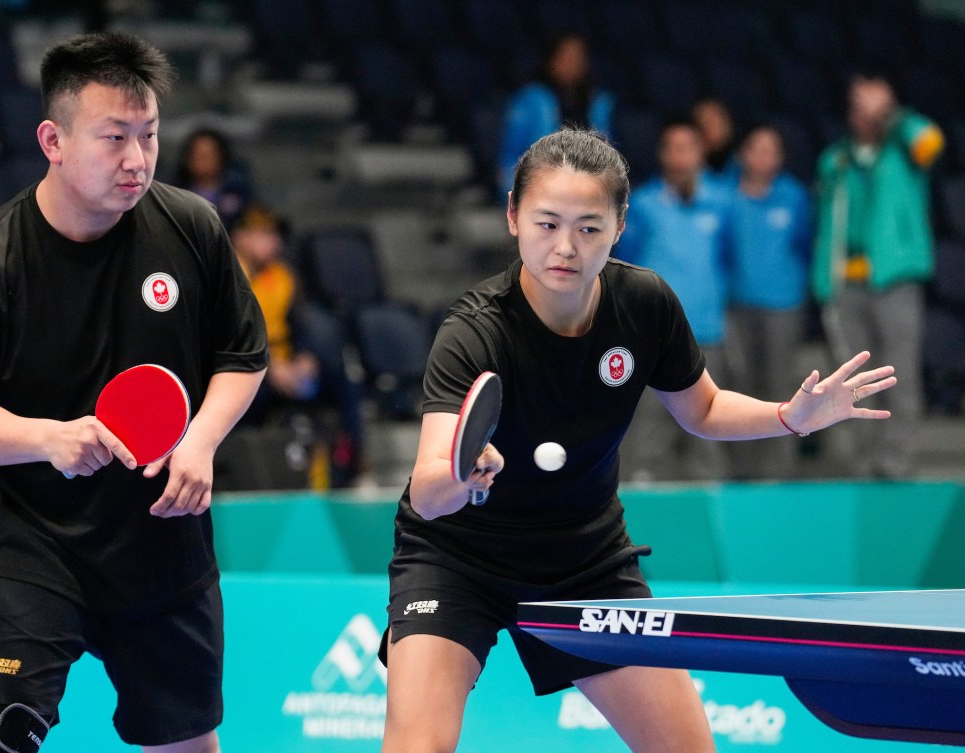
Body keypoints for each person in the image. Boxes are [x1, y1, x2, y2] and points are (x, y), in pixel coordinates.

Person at [378, 127, 896, 753]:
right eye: (546, 223)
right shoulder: (474, 332)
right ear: (513, 218)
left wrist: (790, 416)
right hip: (457, 562)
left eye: (589, 227)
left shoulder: (645, 304)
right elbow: (429, 495)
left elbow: (701, 408)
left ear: (621, 225)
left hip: (584, 562)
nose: (565, 246)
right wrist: (463, 473)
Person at [0, 32, 268, 753]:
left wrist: (200, 439)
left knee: (186, 744)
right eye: (113, 137)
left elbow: (243, 354)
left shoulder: (190, 227)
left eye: (149, 135)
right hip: (37, 549)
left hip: (165, 548)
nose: (136, 159)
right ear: (53, 139)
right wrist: (47, 437)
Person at [812, 74, 944, 479]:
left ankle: (897, 462)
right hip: (847, 283)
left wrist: (894, 115)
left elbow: (932, 140)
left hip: (896, 280)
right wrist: (823, 281)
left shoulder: (908, 152)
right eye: (860, 107)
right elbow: (828, 227)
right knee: (852, 379)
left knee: (897, 371)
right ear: (850, 114)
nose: (868, 116)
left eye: (877, 109)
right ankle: (864, 463)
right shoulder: (836, 159)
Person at [613, 118, 733, 481]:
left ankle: (712, 515)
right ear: (662, 154)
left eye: (689, 147)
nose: (681, 156)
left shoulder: (722, 203)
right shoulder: (643, 206)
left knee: (710, 428)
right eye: (673, 148)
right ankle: (644, 506)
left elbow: (729, 260)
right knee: (648, 430)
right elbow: (623, 264)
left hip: (706, 333)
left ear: (701, 152)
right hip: (653, 337)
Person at [229, 203, 366, 488]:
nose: (272, 242)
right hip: (243, 366)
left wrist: (307, 357)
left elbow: (301, 326)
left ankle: (355, 470)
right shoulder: (227, 275)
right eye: (262, 234)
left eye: (274, 235)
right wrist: (267, 367)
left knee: (344, 381)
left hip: (284, 364)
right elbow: (228, 333)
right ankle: (237, 475)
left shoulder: (283, 277)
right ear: (240, 237)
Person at [726, 124, 813, 478]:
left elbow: (806, 244)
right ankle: (743, 472)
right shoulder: (726, 196)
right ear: (744, 154)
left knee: (781, 388)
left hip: (783, 304)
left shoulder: (794, 196)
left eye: (772, 150)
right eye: (757, 148)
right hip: (738, 304)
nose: (764, 156)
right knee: (741, 387)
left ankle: (779, 471)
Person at [498, 31, 615, 195]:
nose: (573, 63)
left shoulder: (599, 102)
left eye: (579, 57)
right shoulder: (530, 99)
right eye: (566, 56)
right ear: (551, 59)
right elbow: (510, 156)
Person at [174, 127, 252, 228]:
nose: (202, 160)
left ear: (221, 157)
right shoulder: (174, 195)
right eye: (197, 155)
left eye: (208, 155)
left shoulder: (239, 193)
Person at [692, 97, 736, 176]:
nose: (711, 129)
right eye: (706, 123)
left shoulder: (740, 164)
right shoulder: (690, 170)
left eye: (716, 123)